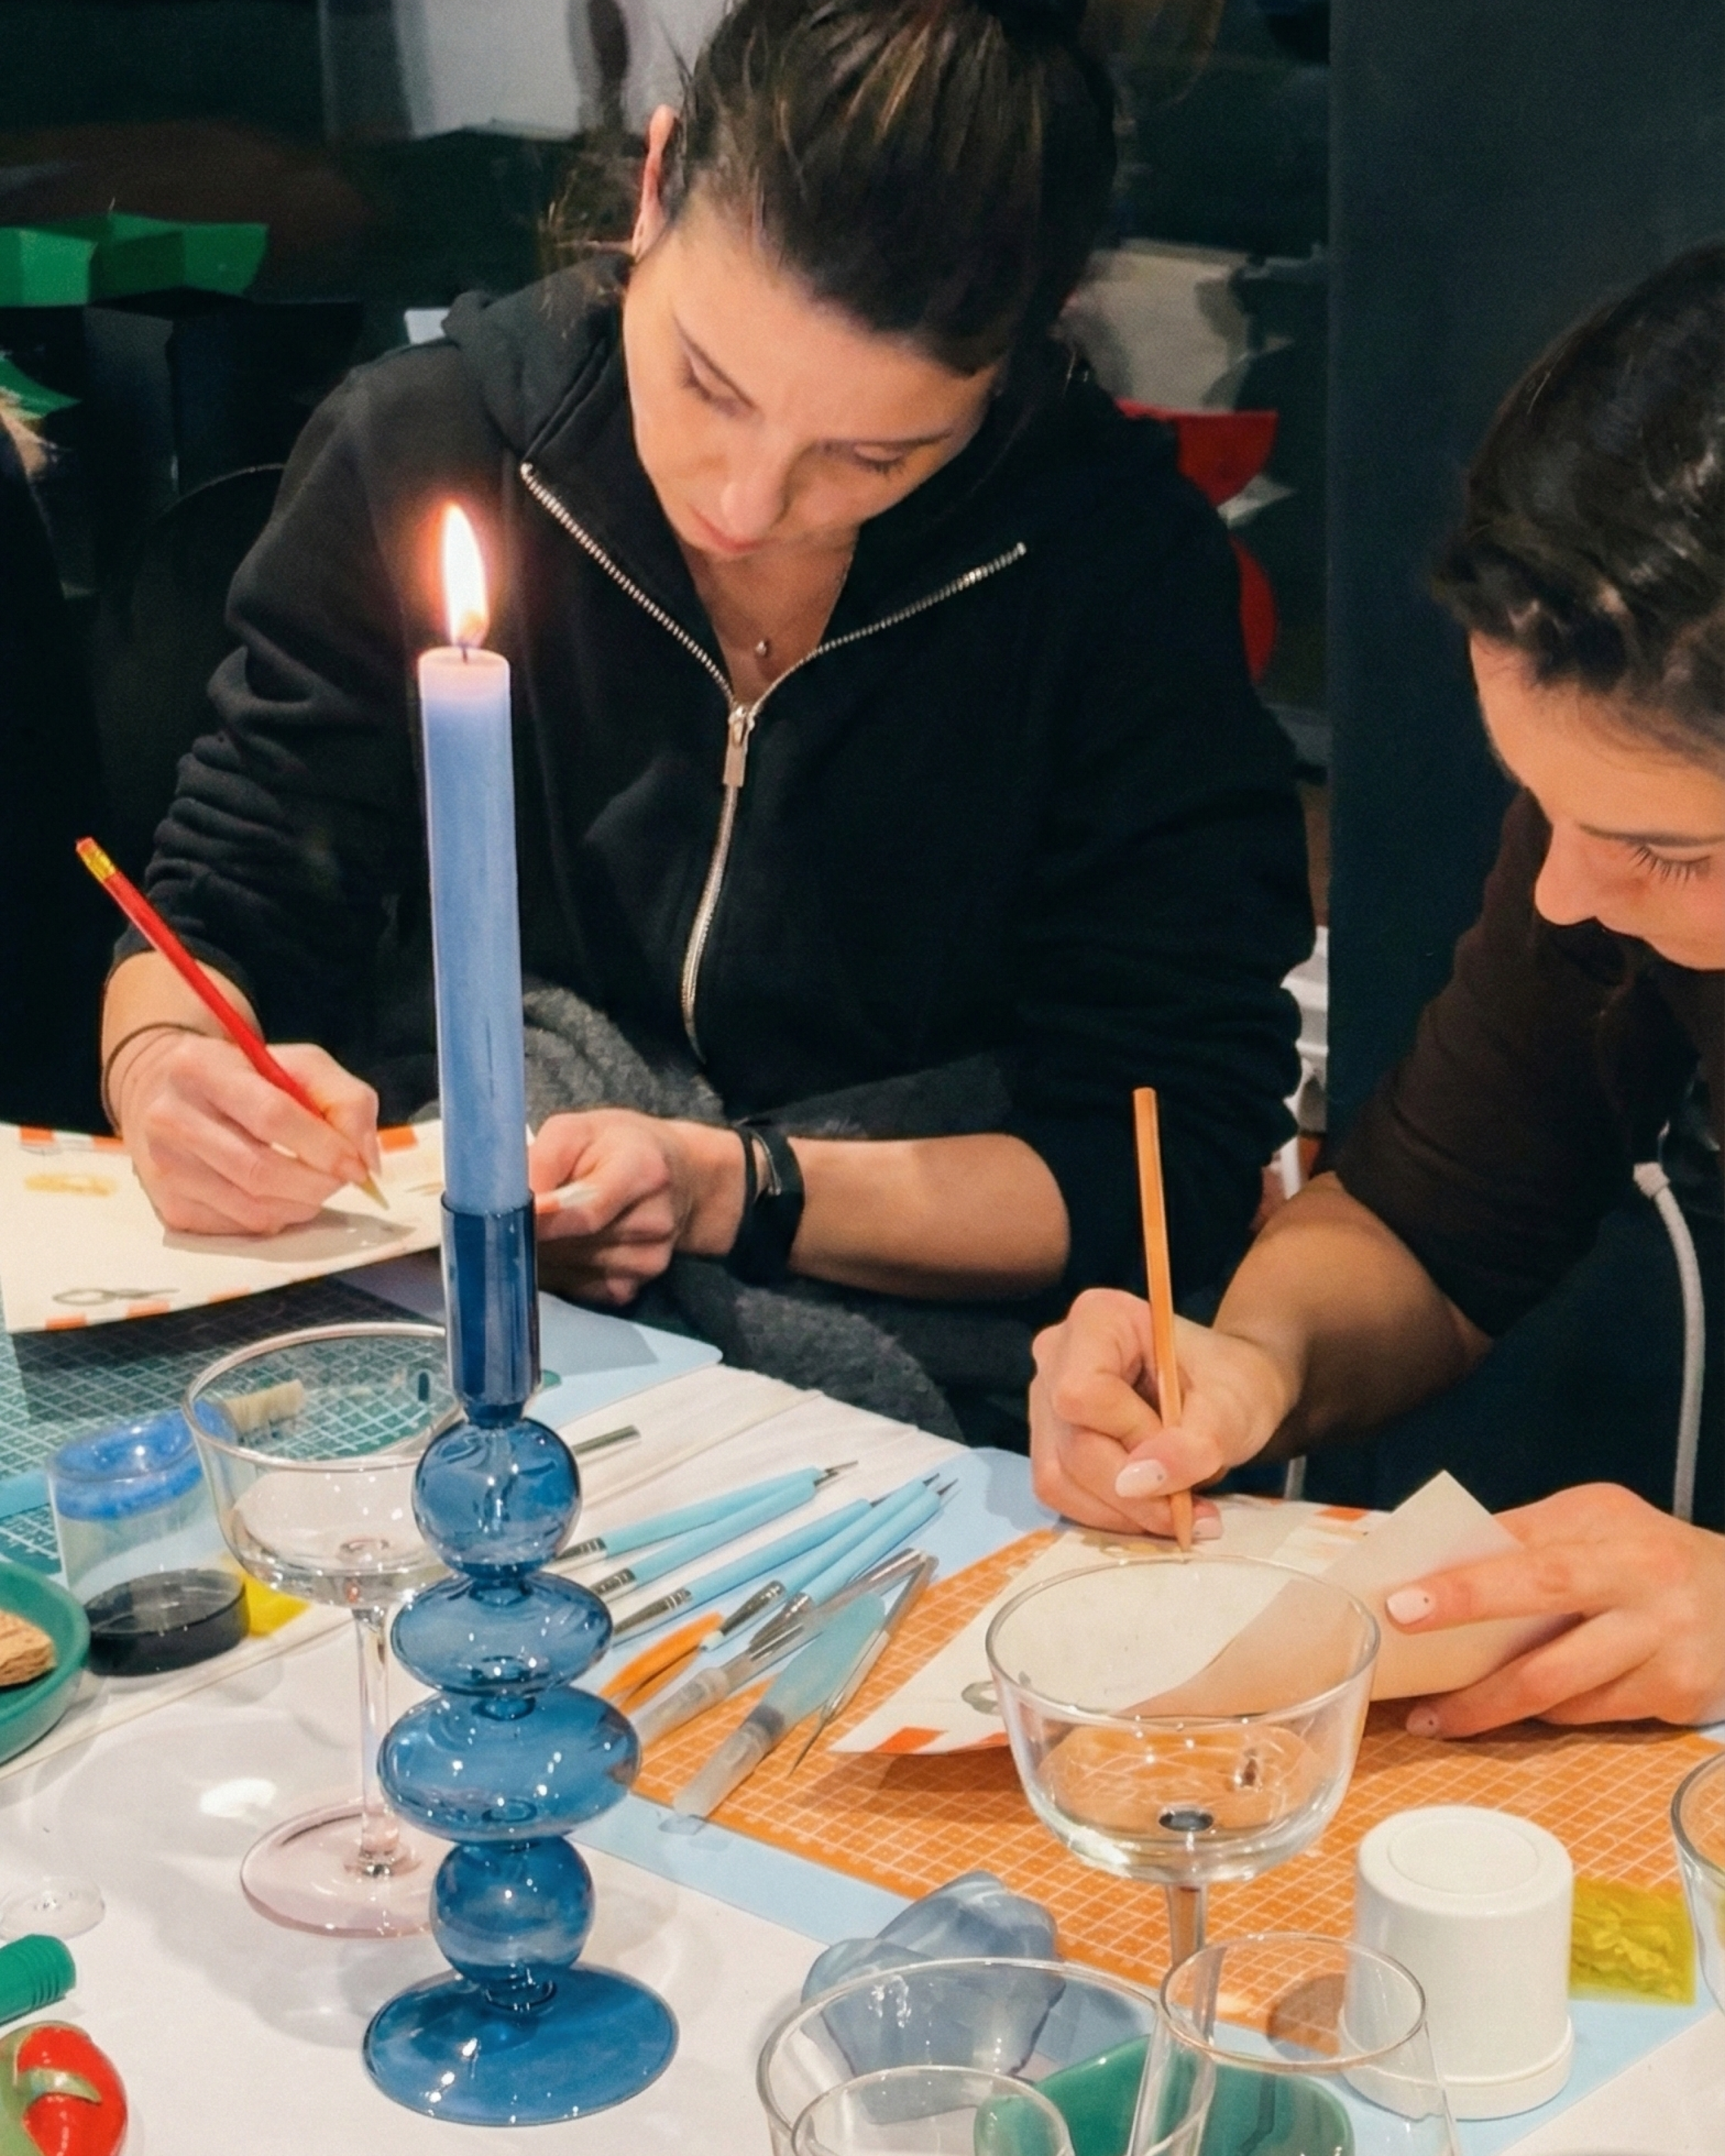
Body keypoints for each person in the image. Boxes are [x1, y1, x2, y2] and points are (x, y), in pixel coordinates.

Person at [97, 0, 1310, 1438]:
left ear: (1015, 357)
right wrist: (167, 1071)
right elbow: (213, 916)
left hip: (948, 1405)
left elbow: (1158, 1148)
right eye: (706, 384)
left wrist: (731, 1183)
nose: (741, 503)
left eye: (872, 453)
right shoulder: (429, 453)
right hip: (448, 1327)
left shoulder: (1111, 573)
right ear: (655, 182)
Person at [1029, 240, 1725, 1728]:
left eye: (1662, 850)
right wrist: (1244, 1364)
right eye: (1549, 810)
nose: (1563, 894)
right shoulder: (1606, 840)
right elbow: (1429, 1223)